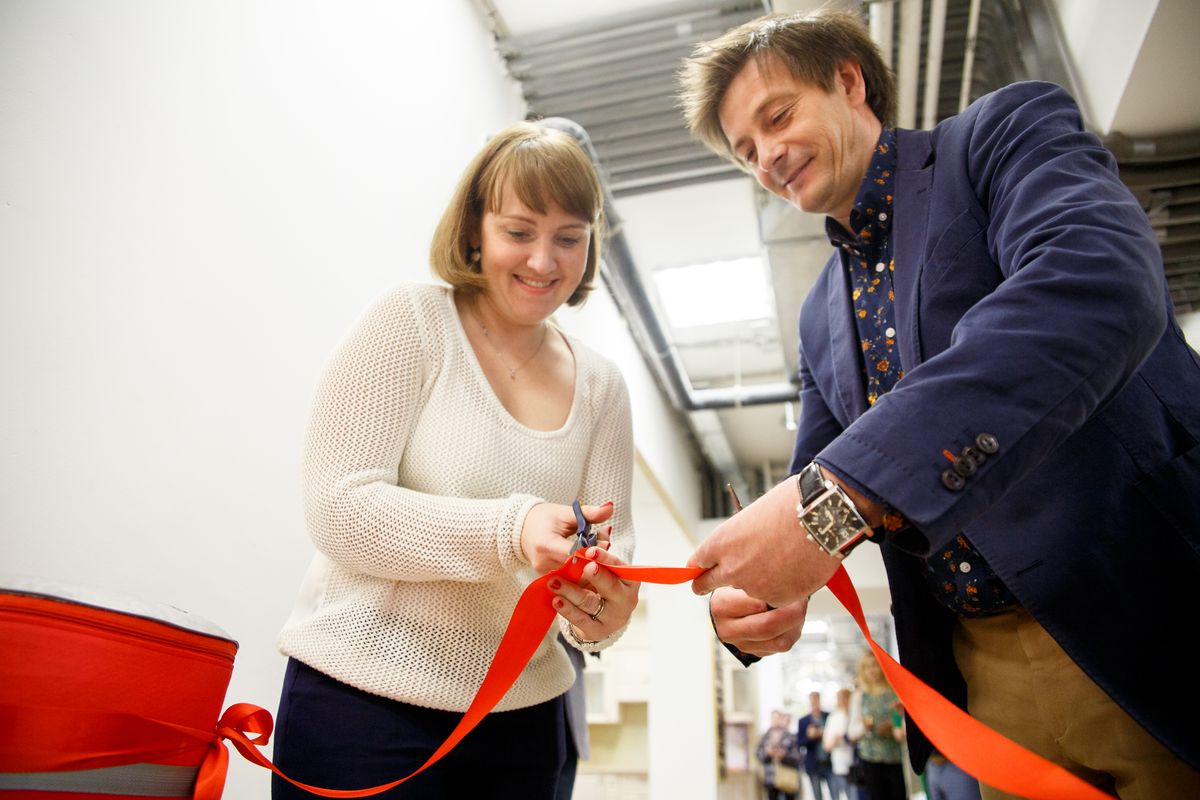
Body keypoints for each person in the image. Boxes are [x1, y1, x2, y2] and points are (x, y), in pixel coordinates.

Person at [678, 9, 1200, 799]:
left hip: (1145, 613)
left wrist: (834, 499)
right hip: (983, 684)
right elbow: (814, 488)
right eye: (746, 151)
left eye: (777, 117)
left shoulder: (1000, 135)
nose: (768, 158)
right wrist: (755, 600)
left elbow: (1095, 282)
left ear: (848, 80)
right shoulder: (818, 316)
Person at [271, 121, 641, 798]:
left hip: (525, 725)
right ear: (474, 229)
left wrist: (602, 613)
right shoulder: (412, 322)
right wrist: (512, 528)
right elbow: (338, 508)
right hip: (361, 706)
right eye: (520, 231)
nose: (544, 261)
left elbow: (610, 553)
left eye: (569, 238)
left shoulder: (603, 388)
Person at [848, 654, 905, 800]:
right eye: (866, 667)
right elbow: (851, 733)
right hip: (870, 759)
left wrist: (893, 724)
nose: (871, 670)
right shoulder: (859, 696)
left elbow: (904, 719)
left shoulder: (895, 691)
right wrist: (864, 726)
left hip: (895, 756)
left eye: (874, 665)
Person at [757, 710, 802, 800]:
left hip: (787, 776)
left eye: (777, 718)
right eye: (774, 718)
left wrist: (784, 756)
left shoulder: (790, 736)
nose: (775, 720)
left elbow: (797, 756)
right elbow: (759, 754)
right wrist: (768, 753)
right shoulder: (765, 737)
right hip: (771, 777)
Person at [796, 691, 833, 800]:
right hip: (813, 764)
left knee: (834, 793)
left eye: (816, 701)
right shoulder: (803, 721)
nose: (815, 704)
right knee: (817, 796)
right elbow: (800, 743)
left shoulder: (828, 717)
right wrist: (810, 737)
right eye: (812, 702)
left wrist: (823, 733)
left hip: (829, 763)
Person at [821, 688, 856, 800]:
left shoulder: (855, 715)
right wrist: (837, 740)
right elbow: (826, 745)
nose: (843, 701)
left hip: (856, 764)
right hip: (839, 764)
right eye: (841, 699)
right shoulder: (833, 718)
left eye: (846, 698)